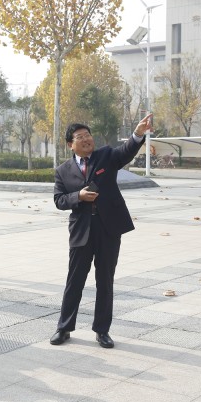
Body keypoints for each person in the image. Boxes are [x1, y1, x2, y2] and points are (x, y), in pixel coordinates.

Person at [50, 114, 153, 348]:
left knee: (105, 281)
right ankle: (64, 328)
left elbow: (126, 151)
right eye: (80, 137)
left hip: (108, 229)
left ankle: (102, 330)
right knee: (74, 280)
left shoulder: (106, 156)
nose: (86, 139)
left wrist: (138, 134)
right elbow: (59, 200)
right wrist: (78, 196)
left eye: (88, 135)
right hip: (81, 232)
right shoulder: (63, 170)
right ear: (70, 144)